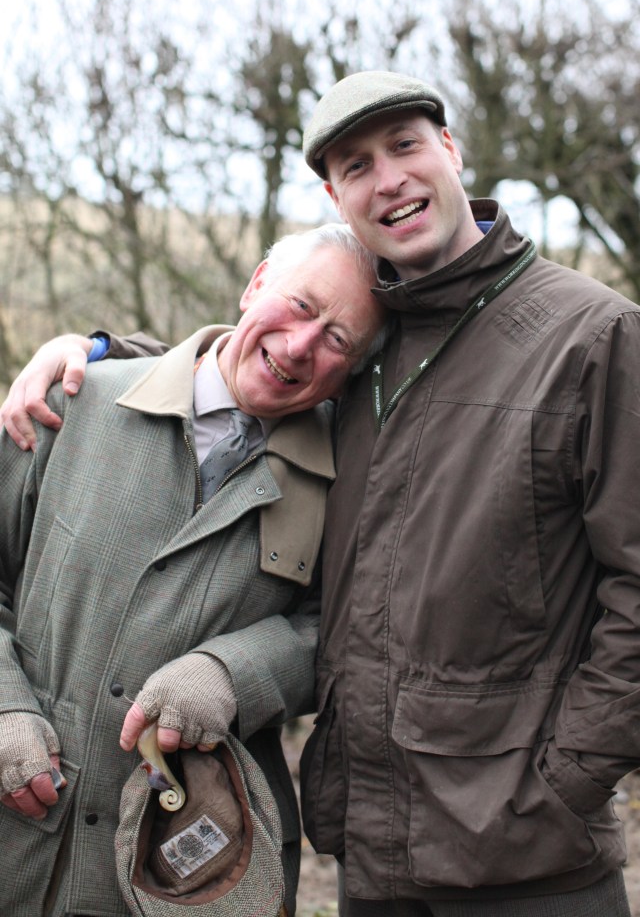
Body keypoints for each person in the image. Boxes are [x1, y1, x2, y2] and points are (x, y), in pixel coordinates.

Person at [4, 71, 640, 917]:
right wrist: (87, 350)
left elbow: (337, 616)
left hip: (521, 853)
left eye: (408, 146)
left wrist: (565, 779)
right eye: (355, 165)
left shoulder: (586, 338)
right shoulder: (86, 409)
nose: (390, 178)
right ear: (328, 205)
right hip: (366, 855)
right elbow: (228, 378)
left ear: (452, 150)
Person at [0, 221, 386, 917]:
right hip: (19, 828)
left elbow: (349, 630)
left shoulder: (350, 479)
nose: (300, 346)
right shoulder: (73, 403)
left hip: (194, 859)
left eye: (338, 340)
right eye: (301, 305)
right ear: (255, 284)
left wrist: (235, 671)